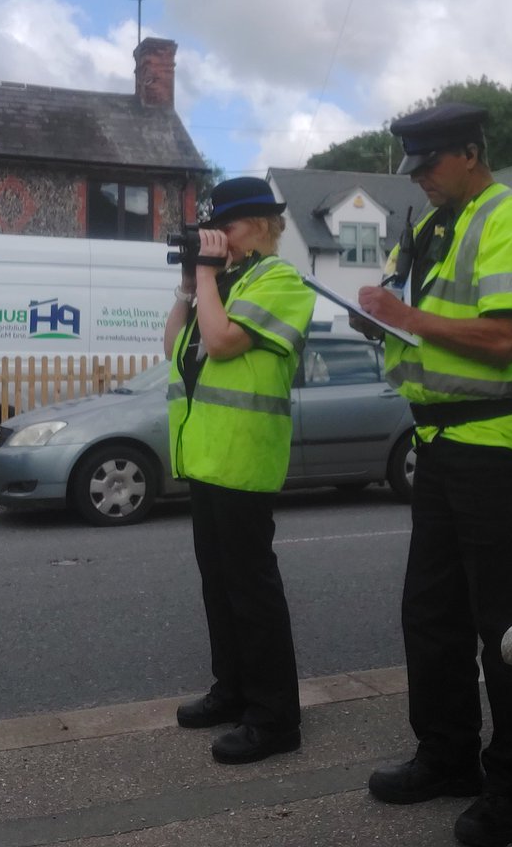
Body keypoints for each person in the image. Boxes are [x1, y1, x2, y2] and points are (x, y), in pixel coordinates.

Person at [355, 103, 512, 847]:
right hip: (438, 443)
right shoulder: (429, 227)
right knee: (429, 612)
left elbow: (503, 339)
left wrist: (404, 319)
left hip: (497, 443)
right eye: (412, 168)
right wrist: (378, 316)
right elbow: (414, 311)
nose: (421, 179)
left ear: (471, 153)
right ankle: (447, 756)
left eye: (430, 165)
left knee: (500, 621)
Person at [164, 176, 315, 765]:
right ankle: (232, 692)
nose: (217, 236)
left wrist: (205, 275)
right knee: (219, 585)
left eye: (224, 226)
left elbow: (223, 343)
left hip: (244, 459)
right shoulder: (222, 283)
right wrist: (188, 283)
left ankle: (276, 718)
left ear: (257, 227)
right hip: (206, 457)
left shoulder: (279, 280)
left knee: (252, 592)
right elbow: (175, 343)